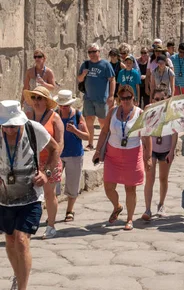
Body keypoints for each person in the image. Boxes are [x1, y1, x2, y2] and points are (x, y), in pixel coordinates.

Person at [0, 100, 60, 290]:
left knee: (22, 239)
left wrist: (46, 173)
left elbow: (55, 148)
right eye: (5, 126)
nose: (9, 130)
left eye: (13, 126)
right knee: (9, 240)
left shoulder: (34, 130)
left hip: (31, 196)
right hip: (4, 199)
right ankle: (17, 276)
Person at [94, 85, 152, 231]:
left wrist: (148, 157)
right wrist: (97, 150)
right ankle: (117, 206)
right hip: (113, 154)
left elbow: (146, 136)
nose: (125, 101)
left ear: (134, 98)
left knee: (130, 189)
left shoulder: (140, 114)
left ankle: (130, 219)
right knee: (108, 187)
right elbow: (104, 131)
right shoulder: (113, 111)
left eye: (128, 98)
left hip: (132, 154)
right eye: (122, 98)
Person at [23, 86, 64, 240]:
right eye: (34, 98)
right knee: (30, 196)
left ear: (46, 101)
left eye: (39, 98)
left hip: (50, 161)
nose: (36, 101)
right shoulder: (27, 116)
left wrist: (49, 167)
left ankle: (51, 226)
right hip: (32, 162)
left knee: (48, 193)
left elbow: (60, 143)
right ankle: (27, 226)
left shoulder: (55, 118)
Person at [142, 87, 177, 221]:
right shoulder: (149, 111)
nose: (159, 101)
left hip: (166, 149)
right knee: (150, 178)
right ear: (152, 99)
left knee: (163, 178)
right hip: (152, 149)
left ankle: (161, 204)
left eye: (162, 99)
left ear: (167, 99)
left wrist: (172, 150)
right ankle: (147, 208)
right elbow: (143, 129)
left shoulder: (171, 113)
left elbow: (174, 132)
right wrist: (145, 149)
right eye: (156, 99)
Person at [55, 90, 88, 223]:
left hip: (74, 153)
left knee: (73, 184)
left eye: (66, 105)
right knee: (53, 185)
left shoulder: (78, 115)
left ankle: (70, 210)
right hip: (57, 155)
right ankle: (53, 212)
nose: (64, 107)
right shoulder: (54, 115)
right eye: (62, 105)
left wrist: (75, 130)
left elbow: (87, 136)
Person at [77, 43, 116, 150]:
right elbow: (79, 79)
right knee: (89, 120)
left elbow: (112, 79)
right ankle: (90, 143)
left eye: (94, 51)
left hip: (102, 99)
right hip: (88, 98)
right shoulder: (85, 64)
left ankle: (104, 142)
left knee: (102, 122)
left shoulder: (105, 65)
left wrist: (111, 95)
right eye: (90, 52)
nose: (92, 54)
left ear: (99, 52)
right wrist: (83, 74)